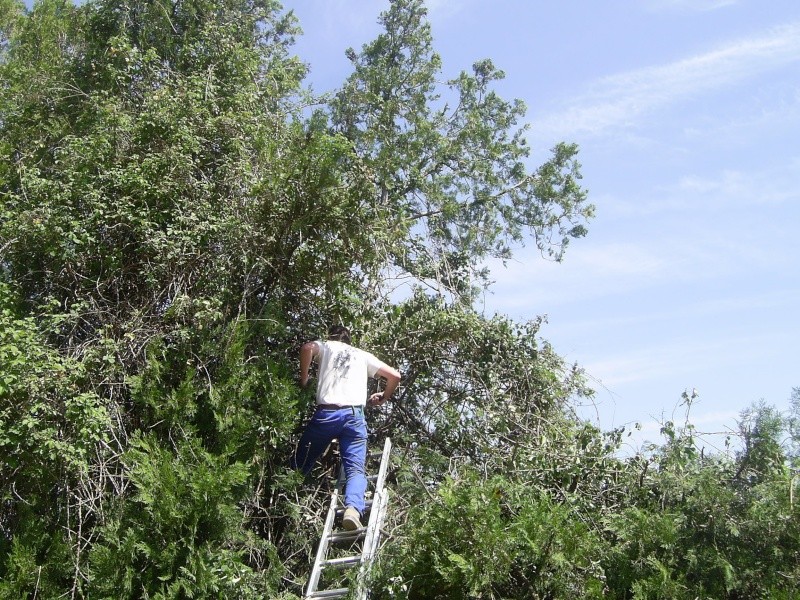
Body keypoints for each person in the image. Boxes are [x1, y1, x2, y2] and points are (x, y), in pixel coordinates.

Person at [292, 325, 400, 531]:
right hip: (354, 416)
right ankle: (352, 509)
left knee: (301, 462)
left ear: (331, 336)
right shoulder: (362, 355)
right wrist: (384, 397)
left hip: (327, 413)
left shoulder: (327, 346)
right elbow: (395, 376)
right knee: (355, 469)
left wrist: (304, 378)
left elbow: (307, 348)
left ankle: (287, 496)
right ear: (349, 340)